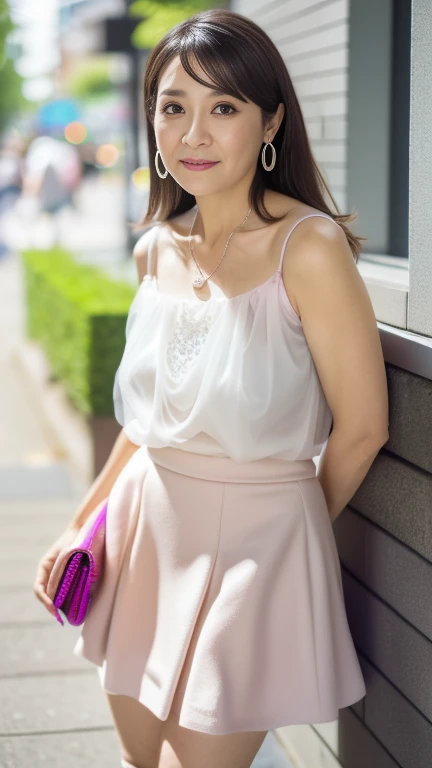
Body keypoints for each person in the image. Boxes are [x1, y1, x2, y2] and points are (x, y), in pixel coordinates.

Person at [34, 8, 389, 768]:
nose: (194, 132)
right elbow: (147, 425)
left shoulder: (311, 248)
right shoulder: (152, 251)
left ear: (270, 124)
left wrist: (288, 537)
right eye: (174, 108)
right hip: (143, 533)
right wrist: (82, 522)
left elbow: (362, 429)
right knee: (138, 757)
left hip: (259, 550)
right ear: (153, 124)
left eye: (222, 107)